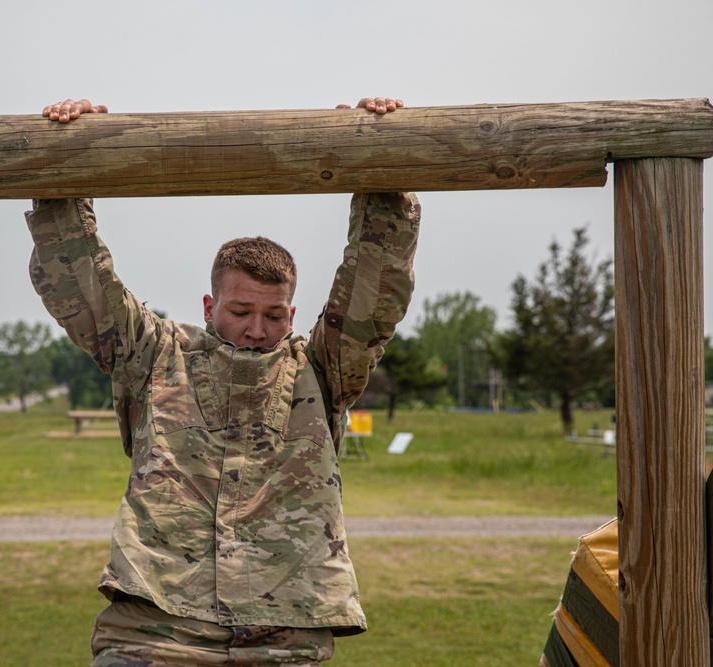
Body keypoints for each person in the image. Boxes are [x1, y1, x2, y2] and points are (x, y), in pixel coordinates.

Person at [27, 96, 421, 666]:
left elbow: (373, 289)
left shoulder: (321, 368)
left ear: (292, 311)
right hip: (156, 624)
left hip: (285, 626)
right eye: (240, 312)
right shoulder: (156, 355)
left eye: (274, 315)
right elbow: (81, 284)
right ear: (209, 304)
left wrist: (377, 157)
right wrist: (65, 158)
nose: (257, 329)